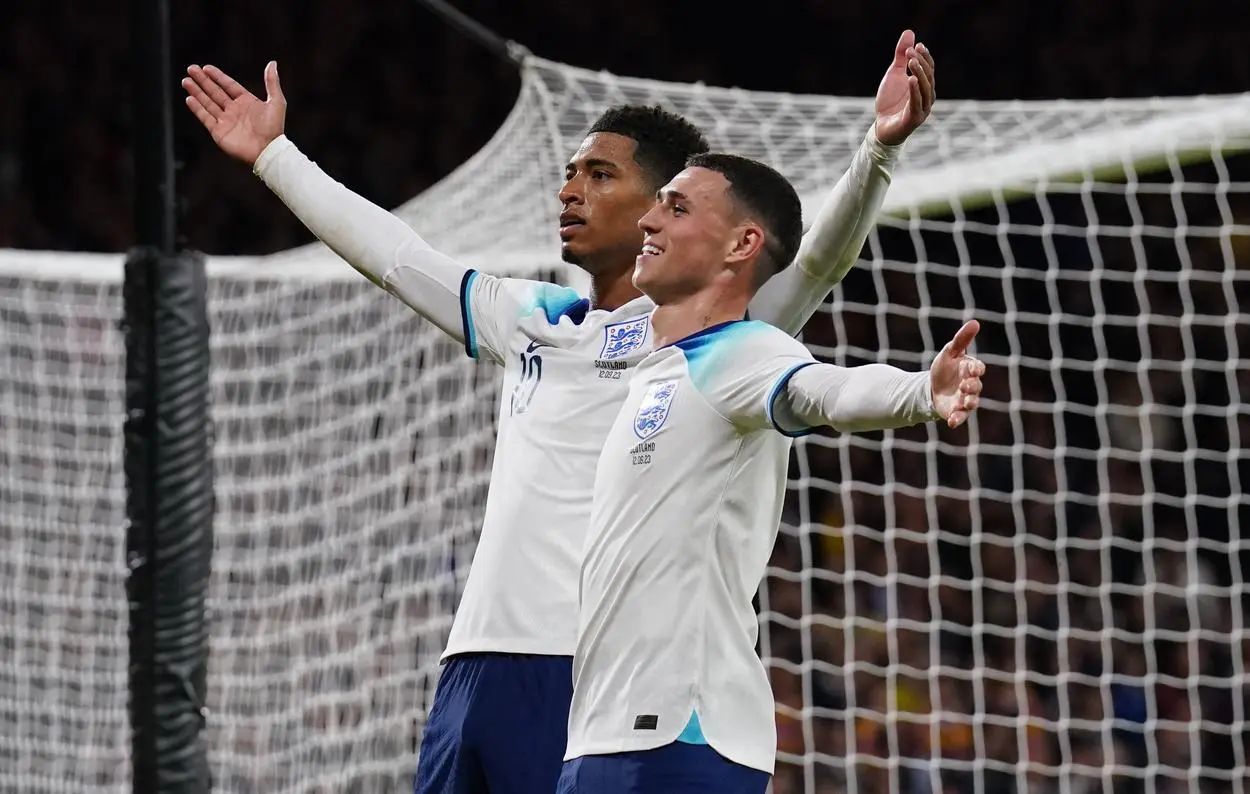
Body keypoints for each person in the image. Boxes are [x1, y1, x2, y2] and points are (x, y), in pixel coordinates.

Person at [180, 30, 938, 794]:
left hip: (594, 676)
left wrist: (877, 150)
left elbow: (816, 260)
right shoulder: (534, 318)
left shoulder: (716, 334)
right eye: (569, 173)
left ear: (662, 207)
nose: (568, 190)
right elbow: (396, 257)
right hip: (472, 667)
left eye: (599, 175)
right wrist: (276, 157)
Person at [558, 152, 986, 793]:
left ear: (742, 244)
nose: (648, 220)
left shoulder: (742, 350)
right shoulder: (657, 369)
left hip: (675, 733)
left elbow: (825, 391)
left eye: (676, 207)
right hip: (606, 733)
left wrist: (922, 392)